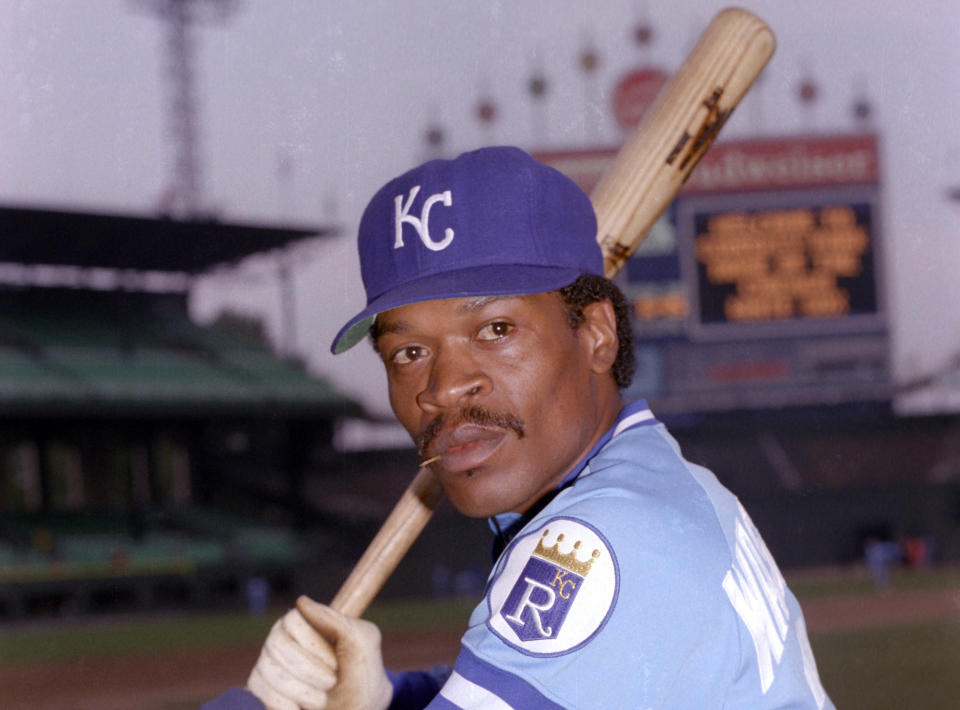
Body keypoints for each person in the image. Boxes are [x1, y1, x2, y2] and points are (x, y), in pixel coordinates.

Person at [205, 146, 833, 709]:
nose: (444, 388)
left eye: (495, 330)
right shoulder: (661, 485)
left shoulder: (599, 546)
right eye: (409, 352)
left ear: (595, 335)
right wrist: (387, 700)